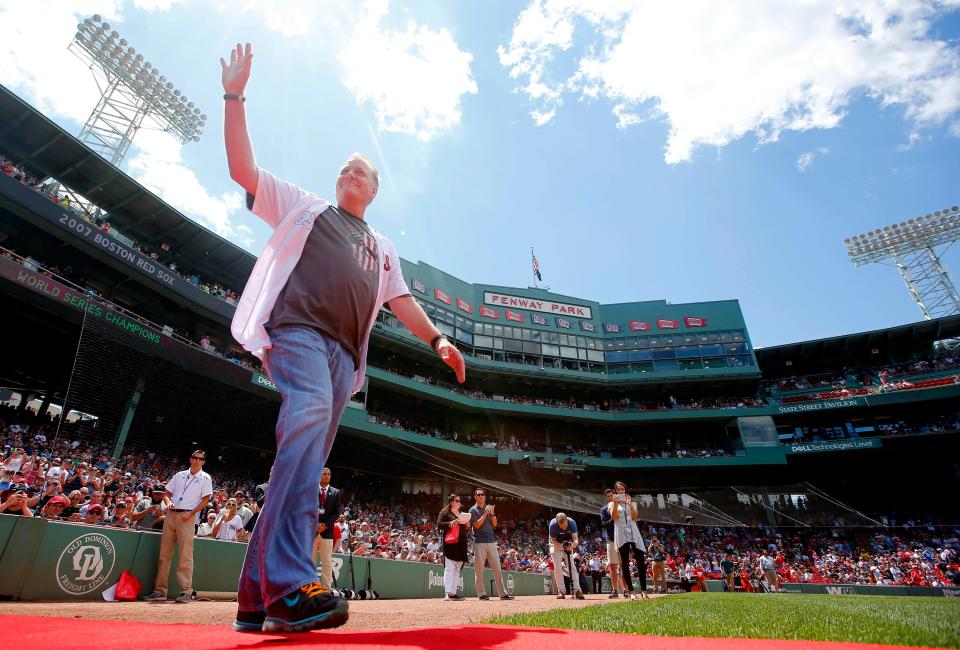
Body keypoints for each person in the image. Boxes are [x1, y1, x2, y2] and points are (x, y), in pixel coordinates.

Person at [222, 41, 466, 635]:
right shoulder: (307, 208)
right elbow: (242, 170)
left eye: (360, 169)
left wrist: (438, 342)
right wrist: (234, 95)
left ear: (374, 190)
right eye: (344, 167)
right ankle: (288, 586)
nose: (348, 172)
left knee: (304, 458)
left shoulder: (382, 247)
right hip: (300, 332)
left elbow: (400, 300)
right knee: (304, 424)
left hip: (344, 357)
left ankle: (256, 600)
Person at [143, 450, 213, 604]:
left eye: (201, 458)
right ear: (190, 459)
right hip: (171, 514)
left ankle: (186, 591)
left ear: (203, 462)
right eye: (195, 457)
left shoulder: (205, 478)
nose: (197, 460)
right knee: (164, 554)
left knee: (185, 555)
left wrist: (192, 513)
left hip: (188, 517)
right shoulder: (179, 475)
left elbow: (205, 500)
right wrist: (168, 503)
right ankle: (160, 591)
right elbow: (167, 493)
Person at [469, 488, 512, 600]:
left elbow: (495, 524)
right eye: (478, 494)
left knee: (497, 568)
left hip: (491, 541)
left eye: (483, 494)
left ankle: (502, 593)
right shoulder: (472, 510)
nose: (481, 496)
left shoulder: (488, 508)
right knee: (479, 570)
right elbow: (476, 526)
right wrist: (484, 513)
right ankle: (481, 594)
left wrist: (492, 513)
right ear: (475, 497)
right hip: (479, 542)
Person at [609, 481, 647, 600]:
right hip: (621, 533)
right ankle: (631, 591)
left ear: (626, 491)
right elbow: (614, 517)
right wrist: (615, 503)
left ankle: (644, 590)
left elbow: (635, 517)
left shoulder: (632, 503)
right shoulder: (611, 504)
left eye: (622, 489)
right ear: (615, 492)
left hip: (634, 532)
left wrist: (630, 504)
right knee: (624, 563)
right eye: (618, 490)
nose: (620, 492)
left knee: (641, 562)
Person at [312, 467, 341, 589]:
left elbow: (337, 512)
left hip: (327, 532)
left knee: (327, 563)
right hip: (311, 532)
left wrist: (325, 525)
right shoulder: (312, 490)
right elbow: (307, 508)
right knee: (309, 562)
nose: (326, 476)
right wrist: (316, 524)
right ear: (319, 475)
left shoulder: (336, 492)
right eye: (324, 474)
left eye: (328, 474)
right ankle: (309, 588)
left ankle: (326, 590)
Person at [437, 494, 468, 601]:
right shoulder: (445, 513)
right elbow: (439, 524)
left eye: (460, 501)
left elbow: (464, 529)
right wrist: (450, 523)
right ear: (451, 502)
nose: (459, 503)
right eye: (457, 501)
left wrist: (467, 525)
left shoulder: (461, 514)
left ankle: (453, 593)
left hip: (461, 543)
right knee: (449, 568)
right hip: (450, 542)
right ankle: (447, 593)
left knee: (457, 569)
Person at [548, 512, 584, 599]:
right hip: (556, 543)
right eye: (561, 526)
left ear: (567, 521)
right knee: (558, 566)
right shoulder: (552, 525)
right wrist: (562, 547)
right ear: (557, 522)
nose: (563, 528)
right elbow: (554, 541)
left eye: (564, 526)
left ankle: (577, 590)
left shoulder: (572, 523)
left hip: (568, 542)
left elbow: (575, 540)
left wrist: (572, 546)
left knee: (572, 566)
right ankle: (561, 591)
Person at [600, 488, 624, 598]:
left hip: (623, 539)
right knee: (612, 566)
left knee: (624, 566)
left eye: (611, 496)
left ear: (614, 495)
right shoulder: (604, 509)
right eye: (608, 496)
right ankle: (614, 590)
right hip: (611, 539)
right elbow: (604, 524)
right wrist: (613, 519)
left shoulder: (621, 507)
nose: (610, 498)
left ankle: (627, 589)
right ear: (606, 497)